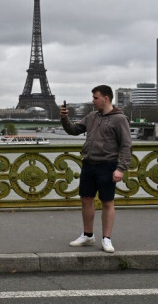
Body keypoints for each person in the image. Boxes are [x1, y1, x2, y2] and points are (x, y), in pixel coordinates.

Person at [60, 85, 131, 253]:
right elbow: (74, 130)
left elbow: (126, 146)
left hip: (108, 165)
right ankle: (88, 235)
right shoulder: (92, 116)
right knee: (86, 199)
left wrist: (121, 168)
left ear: (106, 98)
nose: (93, 101)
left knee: (107, 202)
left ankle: (106, 238)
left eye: (95, 98)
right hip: (89, 163)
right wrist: (64, 118)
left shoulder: (120, 119)